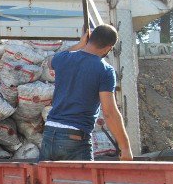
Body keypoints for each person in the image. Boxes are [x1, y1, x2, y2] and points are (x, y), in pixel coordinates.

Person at [39, 24, 133, 161]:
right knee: (83, 182)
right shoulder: (105, 70)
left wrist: (79, 45)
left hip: (49, 134)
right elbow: (109, 112)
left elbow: (49, 62)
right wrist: (125, 147)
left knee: (48, 181)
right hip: (75, 138)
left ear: (88, 39)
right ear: (109, 48)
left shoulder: (63, 58)